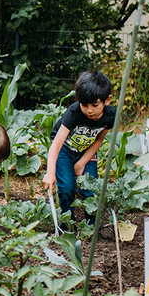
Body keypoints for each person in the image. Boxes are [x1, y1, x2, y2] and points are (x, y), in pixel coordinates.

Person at [42, 70, 116, 224]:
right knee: (67, 188)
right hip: (65, 150)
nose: (89, 110)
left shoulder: (110, 116)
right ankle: (67, 223)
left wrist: (82, 162)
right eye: (84, 105)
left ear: (107, 100)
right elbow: (56, 144)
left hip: (86, 151)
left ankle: (91, 226)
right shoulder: (74, 112)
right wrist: (50, 173)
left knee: (91, 189)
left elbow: (98, 140)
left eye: (94, 105)